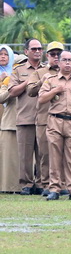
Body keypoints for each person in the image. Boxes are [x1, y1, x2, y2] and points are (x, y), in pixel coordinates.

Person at [38, 50, 71, 200]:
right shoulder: (50, 79)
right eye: (64, 60)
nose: (67, 63)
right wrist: (55, 90)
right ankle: (54, 188)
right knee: (54, 156)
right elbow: (41, 99)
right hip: (55, 120)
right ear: (59, 62)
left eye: (70, 60)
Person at [25, 41, 64, 196]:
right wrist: (44, 80)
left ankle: (63, 184)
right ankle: (47, 184)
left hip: (64, 118)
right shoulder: (40, 72)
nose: (56, 57)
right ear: (47, 56)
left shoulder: (70, 73)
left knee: (65, 153)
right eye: (53, 54)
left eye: (59, 55)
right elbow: (30, 91)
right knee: (46, 154)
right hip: (44, 118)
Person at [7, 39, 44, 195]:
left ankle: (42, 183)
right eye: (34, 49)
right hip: (25, 118)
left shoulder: (47, 70)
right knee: (25, 155)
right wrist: (27, 82)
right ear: (26, 51)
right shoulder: (18, 70)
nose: (37, 51)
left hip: (44, 118)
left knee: (44, 154)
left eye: (40, 49)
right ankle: (26, 184)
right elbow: (12, 92)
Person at [0, 45, 18, 193]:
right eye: (1, 54)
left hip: (8, 116)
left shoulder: (15, 75)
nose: (3, 57)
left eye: (6, 54)